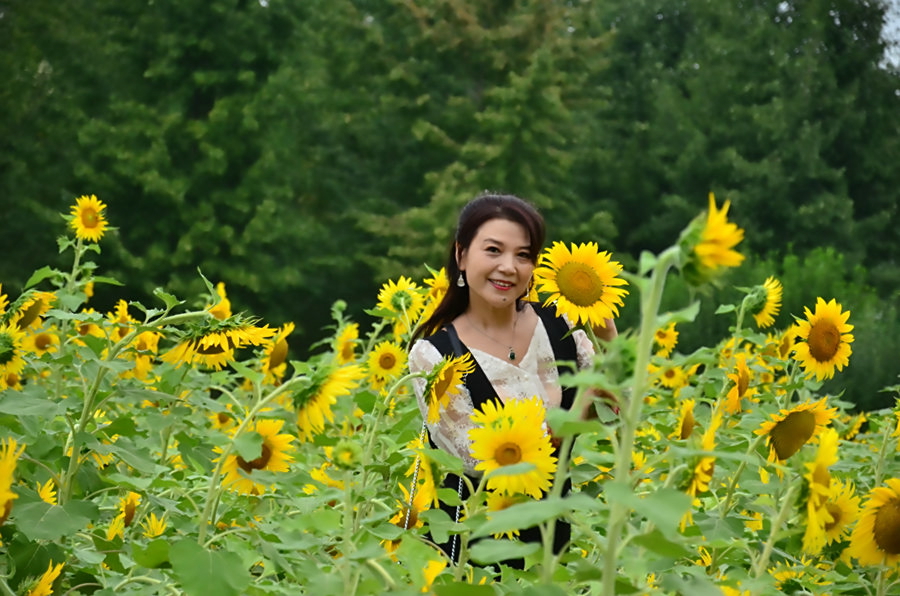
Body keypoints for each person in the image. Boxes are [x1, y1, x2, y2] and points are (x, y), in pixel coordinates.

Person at [408, 192, 617, 569]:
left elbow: (621, 405)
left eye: (523, 255)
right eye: (493, 250)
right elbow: (476, 458)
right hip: (473, 555)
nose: (509, 267)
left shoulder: (559, 326)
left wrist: (610, 337)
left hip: (555, 542)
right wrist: (576, 416)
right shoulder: (434, 356)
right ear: (461, 255)